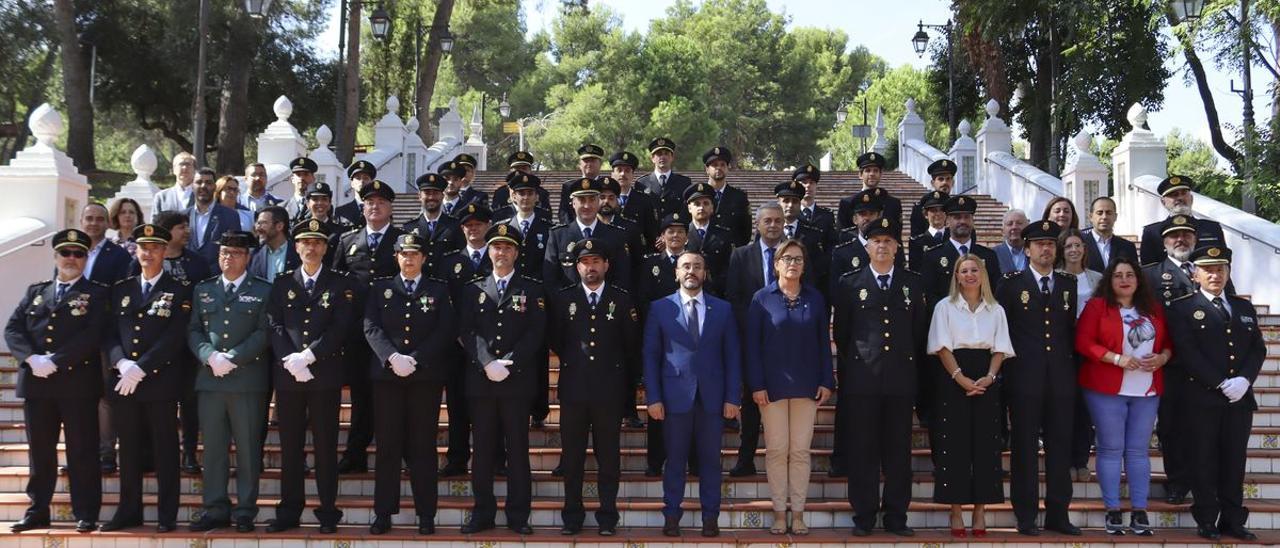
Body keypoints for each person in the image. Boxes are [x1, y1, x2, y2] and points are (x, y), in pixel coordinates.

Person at [5, 229, 107, 533]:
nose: (71, 259)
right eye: (66, 253)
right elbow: (13, 329)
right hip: (38, 385)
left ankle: (86, 511)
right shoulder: (36, 291)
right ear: (56, 257)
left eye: (78, 254)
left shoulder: (97, 293)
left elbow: (93, 334)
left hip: (77, 385)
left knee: (82, 451)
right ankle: (38, 510)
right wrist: (32, 359)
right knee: (40, 451)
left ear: (86, 259)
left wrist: (55, 360)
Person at [832, 218, 927, 537]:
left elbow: (918, 332)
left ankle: (896, 516)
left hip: (901, 380)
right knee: (863, 451)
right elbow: (842, 334)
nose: (883, 246)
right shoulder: (850, 283)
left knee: (899, 451)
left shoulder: (911, 282)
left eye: (889, 241)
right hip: (863, 381)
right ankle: (864, 515)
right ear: (867, 246)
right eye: (877, 241)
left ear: (897, 247)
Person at [1167, 245, 1266, 542]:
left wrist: (1244, 381)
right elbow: (1187, 352)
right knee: (1203, 460)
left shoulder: (1243, 308)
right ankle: (1208, 518)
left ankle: (1233, 520)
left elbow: (1257, 348)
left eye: (1220, 268)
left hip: (1239, 399)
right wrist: (1221, 383)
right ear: (1195, 274)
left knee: (1234, 461)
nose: (1215, 274)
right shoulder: (1182, 307)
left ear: (1228, 272)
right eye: (1208, 269)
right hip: (1202, 398)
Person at [263, 219, 356, 534]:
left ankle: (328, 510)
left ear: (326, 248)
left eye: (317, 242)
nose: (311, 247)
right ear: (296, 246)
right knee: (290, 446)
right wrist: (291, 360)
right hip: (289, 375)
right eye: (305, 242)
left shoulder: (339, 282)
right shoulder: (281, 283)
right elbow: (274, 325)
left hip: (324, 374)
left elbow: (340, 327)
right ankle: (289, 510)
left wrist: (310, 356)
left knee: (325, 446)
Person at [99, 224, 192, 533]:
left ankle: (167, 514)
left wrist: (143, 367)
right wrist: (121, 362)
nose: (148, 253)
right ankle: (129, 511)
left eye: (154, 247)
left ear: (164, 251)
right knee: (128, 450)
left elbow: (175, 336)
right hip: (125, 382)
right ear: (136, 250)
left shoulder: (179, 289)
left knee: (166, 450)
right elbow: (109, 333)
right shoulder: (121, 289)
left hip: (160, 383)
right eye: (143, 247)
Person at [643, 250, 742, 538]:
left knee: (711, 460)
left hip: (712, 398)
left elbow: (733, 356)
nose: (691, 271)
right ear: (676, 272)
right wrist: (653, 398)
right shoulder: (660, 308)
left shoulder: (722, 309)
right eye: (685, 266)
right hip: (674, 398)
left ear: (705, 272)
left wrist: (732, 398)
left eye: (697, 266)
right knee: (674, 460)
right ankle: (671, 515)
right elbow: (651, 356)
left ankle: (711, 517)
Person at [364, 233, 458, 535]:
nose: (409, 259)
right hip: (387, 377)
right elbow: (370, 326)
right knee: (388, 446)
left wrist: (415, 358)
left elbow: (446, 329)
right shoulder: (380, 289)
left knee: (423, 446)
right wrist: (392, 357)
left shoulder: (438, 290)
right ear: (397, 257)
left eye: (415, 254)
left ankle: (426, 512)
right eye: (404, 254)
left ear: (424, 258)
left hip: (424, 378)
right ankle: (383, 512)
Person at [458, 224, 547, 535]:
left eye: (508, 247)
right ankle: (482, 512)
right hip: (481, 381)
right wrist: (487, 362)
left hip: (516, 380)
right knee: (481, 450)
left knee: (518, 449)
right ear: (490, 251)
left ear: (517, 253)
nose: (502, 252)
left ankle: (518, 514)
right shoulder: (474, 288)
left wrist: (509, 362)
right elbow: (466, 330)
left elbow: (536, 332)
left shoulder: (531, 289)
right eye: (497, 247)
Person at [548, 239, 640, 536]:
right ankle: (572, 517)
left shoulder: (621, 299)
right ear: (578, 267)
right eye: (586, 262)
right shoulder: (564, 299)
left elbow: (630, 346)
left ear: (606, 265)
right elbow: (558, 341)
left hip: (608, 392)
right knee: (572, 458)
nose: (591, 267)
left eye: (597, 261)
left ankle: (607, 517)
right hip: (574, 389)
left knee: (608, 457)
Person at [1075, 255, 1171, 536]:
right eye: (1119, 275)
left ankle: (1139, 511)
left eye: (1130, 274)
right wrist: (1116, 359)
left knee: (1139, 451)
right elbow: (1083, 342)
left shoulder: (1153, 308)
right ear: (1109, 280)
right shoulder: (1096, 307)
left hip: (1147, 389)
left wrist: (1163, 358)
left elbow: (1168, 344)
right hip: (1106, 388)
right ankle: (1113, 510)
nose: (1125, 280)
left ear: (1138, 279)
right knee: (1111, 448)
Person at [995, 220, 1080, 536]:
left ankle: (1059, 513)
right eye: (1039, 244)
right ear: (1027, 248)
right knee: (1024, 448)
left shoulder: (1067, 283)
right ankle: (1026, 514)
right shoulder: (1011, 283)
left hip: (1060, 377)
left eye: (1051, 244)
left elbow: (1068, 331)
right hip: (1023, 378)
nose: (1046, 249)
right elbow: (1002, 331)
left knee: (1060, 446)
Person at [744, 239, 833, 535]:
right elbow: (752, 347)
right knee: (777, 450)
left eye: (798, 259)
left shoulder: (816, 298)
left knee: (800, 452)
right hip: (772, 389)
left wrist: (826, 380)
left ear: (804, 265)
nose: (792, 264)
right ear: (776, 263)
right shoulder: (761, 299)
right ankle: (779, 512)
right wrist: (756, 384)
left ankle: (798, 513)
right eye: (787, 259)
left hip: (807, 386)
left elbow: (823, 342)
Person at [186, 231, 271, 533]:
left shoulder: (263, 290)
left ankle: (246, 509)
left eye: (235, 252)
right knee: (213, 449)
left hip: (246, 380)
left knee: (248, 449)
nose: (227, 257)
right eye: (223, 252)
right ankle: (216, 507)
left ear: (247, 256)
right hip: (210, 381)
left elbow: (264, 333)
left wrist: (233, 356)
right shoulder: (204, 289)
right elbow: (194, 330)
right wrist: (209, 356)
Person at [926, 253, 1014, 539]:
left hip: (986, 378)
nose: (969, 275)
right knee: (956, 445)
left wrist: (989, 377)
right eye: (963, 270)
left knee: (985, 447)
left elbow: (1000, 347)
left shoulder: (995, 309)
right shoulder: (945, 307)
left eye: (974, 270)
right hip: (954, 376)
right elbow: (941, 347)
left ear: (983, 274)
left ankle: (979, 510)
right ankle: (955, 509)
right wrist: (961, 378)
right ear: (956, 276)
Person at [331, 180, 404, 474]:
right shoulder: (348, 241)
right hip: (357, 333)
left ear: (390, 207)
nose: (375, 207)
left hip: (393, 331)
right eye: (369, 202)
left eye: (381, 202)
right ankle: (356, 453)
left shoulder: (403, 240)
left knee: (393, 396)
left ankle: (398, 452)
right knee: (361, 395)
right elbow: (336, 283)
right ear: (362, 208)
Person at [726, 203, 791, 478]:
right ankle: (746, 459)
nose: (773, 225)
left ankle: (786, 460)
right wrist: (756, 326)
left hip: (785, 343)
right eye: (768, 221)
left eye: (778, 221)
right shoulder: (741, 256)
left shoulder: (794, 256)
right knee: (751, 402)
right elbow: (734, 297)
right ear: (758, 225)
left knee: (784, 403)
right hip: (751, 341)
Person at [149, 211, 210, 474]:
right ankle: (156, 452)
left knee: (189, 402)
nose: (187, 231)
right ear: (166, 231)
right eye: (181, 227)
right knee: (158, 403)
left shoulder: (197, 263)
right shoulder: (150, 260)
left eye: (187, 226)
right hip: (154, 346)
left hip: (187, 345)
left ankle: (189, 453)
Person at [1145, 214, 1199, 504]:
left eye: (1186, 235)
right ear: (1164, 242)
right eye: (1174, 236)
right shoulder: (1151, 275)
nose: (1181, 240)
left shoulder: (1208, 270)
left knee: (1201, 425)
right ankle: (1178, 482)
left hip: (1205, 365)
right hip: (1171, 363)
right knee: (1172, 426)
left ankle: (1202, 480)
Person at [80, 202, 131, 473]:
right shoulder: (71, 249)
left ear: (106, 223)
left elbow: (122, 296)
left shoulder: (118, 256)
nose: (93, 223)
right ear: (81, 220)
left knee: (104, 397)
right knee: (76, 397)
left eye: (99, 219)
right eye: (89, 218)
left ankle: (106, 453)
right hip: (72, 339)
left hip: (104, 335)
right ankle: (82, 454)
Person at [1059, 229, 1104, 480]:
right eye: (1068, 246)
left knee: (1085, 406)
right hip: (1063, 347)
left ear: (1084, 249)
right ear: (1061, 251)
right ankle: (1064, 459)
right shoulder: (1054, 277)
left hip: (1090, 349)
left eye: (1078, 245)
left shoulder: (1097, 279)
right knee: (1064, 404)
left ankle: (1081, 459)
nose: (1074, 250)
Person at [544, 177, 633, 291]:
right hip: (567, 306)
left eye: (592, 199)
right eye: (582, 200)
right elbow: (550, 279)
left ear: (598, 202)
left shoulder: (615, 235)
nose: (587, 206)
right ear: (573, 203)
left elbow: (622, 278)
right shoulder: (558, 236)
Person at [1138, 175, 1225, 265]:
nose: (1180, 198)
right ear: (1163, 202)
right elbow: (1148, 270)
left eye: (1184, 193)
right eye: (1174, 195)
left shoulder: (1212, 228)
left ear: (1191, 198)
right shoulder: (1152, 232)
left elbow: (1224, 264)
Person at [403, 173, 464, 273]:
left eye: (435, 193)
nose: (431, 197)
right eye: (427, 193)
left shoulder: (454, 226)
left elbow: (461, 256)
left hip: (446, 284)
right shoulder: (409, 227)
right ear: (419, 196)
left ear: (442, 196)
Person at [186, 168, 242, 274]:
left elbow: (235, 251)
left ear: (215, 187)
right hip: (187, 280)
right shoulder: (183, 216)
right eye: (199, 182)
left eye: (208, 183)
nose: (203, 186)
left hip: (217, 279)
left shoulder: (230, 216)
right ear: (192, 186)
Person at [683, 182, 734, 295]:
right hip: (688, 291)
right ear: (689, 208)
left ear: (712, 208)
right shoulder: (681, 234)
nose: (701, 207)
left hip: (718, 293)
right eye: (697, 204)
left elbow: (729, 267)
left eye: (706, 203)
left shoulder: (724, 235)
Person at [701, 147, 752, 246]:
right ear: (706, 169)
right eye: (714, 165)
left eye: (722, 165)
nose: (719, 168)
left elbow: (746, 232)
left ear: (727, 168)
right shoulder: (698, 195)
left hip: (729, 254)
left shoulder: (739, 197)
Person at [838, 152, 902, 229]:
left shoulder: (893, 203)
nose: (872, 174)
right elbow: (842, 235)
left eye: (875, 171)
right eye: (867, 170)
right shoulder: (847, 203)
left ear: (881, 174)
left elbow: (896, 234)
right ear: (860, 175)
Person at [610, 150, 661, 244]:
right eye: (619, 170)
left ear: (633, 175)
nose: (623, 174)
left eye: (627, 171)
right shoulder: (604, 200)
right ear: (612, 174)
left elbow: (651, 233)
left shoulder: (644, 201)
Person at [635, 137, 692, 218]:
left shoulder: (684, 182)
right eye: (659, 154)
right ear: (652, 158)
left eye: (666, 153)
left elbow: (687, 213)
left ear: (672, 157)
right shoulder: (642, 183)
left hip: (674, 229)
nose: (663, 157)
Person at [1080, 196, 1137, 272]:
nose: (1104, 217)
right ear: (1091, 217)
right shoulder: (1080, 244)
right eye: (1099, 213)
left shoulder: (1127, 247)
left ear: (1115, 217)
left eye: (1109, 213)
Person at [792, 164, 838, 251]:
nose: (808, 186)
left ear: (816, 185)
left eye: (811, 182)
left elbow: (832, 245)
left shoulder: (827, 215)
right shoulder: (791, 214)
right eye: (804, 182)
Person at [492, 151, 552, 215]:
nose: (520, 171)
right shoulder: (500, 193)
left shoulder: (541, 193)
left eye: (524, 168)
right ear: (510, 170)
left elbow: (547, 215)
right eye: (517, 168)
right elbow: (496, 217)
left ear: (530, 171)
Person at [248, 206, 299, 281]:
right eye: (258, 223)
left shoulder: (299, 253)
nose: (258, 228)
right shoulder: (253, 255)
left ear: (279, 226)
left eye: (263, 223)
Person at [558, 144, 606, 223]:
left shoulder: (607, 186)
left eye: (593, 160)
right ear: (580, 165)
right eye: (586, 161)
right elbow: (564, 212)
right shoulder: (569, 187)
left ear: (600, 164)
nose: (589, 164)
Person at [910, 158, 956, 237]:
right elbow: (916, 238)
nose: (945, 182)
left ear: (953, 182)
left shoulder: (957, 207)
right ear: (932, 183)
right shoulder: (920, 207)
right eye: (941, 179)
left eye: (948, 179)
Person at [907, 191, 949, 273]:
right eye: (933, 210)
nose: (938, 214)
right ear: (926, 214)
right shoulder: (916, 242)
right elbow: (915, 271)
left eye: (942, 210)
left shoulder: (953, 238)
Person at [151, 152, 197, 220]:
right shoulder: (161, 197)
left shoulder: (201, 196)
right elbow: (154, 225)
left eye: (188, 164)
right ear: (174, 169)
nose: (184, 167)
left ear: (194, 170)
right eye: (181, 164)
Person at [334, 160, 375, 227]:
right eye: (358, 178)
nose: (362, 181)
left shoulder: (378, 209)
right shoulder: (341, 211)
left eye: (366, 178)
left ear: (371, 183)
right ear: (352, 183)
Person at [992, 209, 1029, 274]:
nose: (1014, 227)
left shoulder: (1035, 252)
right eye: (1010, 224)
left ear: (1027, 227)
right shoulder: (992, 254)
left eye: (1019, 223)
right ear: (1002, 231)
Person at [282, 157, 317, 221]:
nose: (302, 178)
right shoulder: (282, 207)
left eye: (306, 174)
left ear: (313, 178)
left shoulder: (320, 206)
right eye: (298, 174)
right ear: (292, 179)